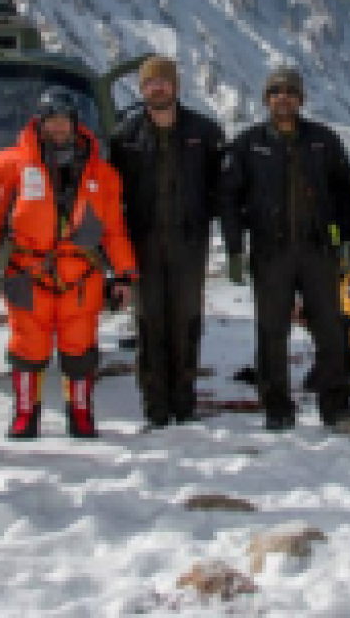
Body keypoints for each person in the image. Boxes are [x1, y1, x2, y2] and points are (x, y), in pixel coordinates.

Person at [0, 88, 138, 439]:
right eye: (52, 120)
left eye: (65, 119)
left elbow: (114, 231)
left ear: (76, 123)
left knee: (80, 349)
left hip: (81, 274)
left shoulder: (102, 174)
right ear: (40, 123)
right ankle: (25, 415)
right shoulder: (8, 165)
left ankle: (81, 414)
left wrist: (124, 274)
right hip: (25, 272)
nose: (59, 127)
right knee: (26, 346)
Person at [219, 66, 350, 433]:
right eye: (276, 91)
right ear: (267, 99)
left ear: (301, 98)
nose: (284, 97)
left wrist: (347, 239)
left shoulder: (323, 140)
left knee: (329, 330)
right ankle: (277, 407)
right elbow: (229, 198)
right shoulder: (248, 143)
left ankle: (336, 406)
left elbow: (346, 189)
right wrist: (235, 248)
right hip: (270, 253)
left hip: (318, 252)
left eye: (291, 91)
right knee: (271, 332)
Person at [109, 55, 225, 429]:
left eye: (163, 81)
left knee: (186, 321)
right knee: (149, 324)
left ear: (175, 86)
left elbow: (220, 187)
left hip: (188, 243)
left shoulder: (204, 132)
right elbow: (112, 195)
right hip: (142, 243)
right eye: (149, 83)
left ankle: (184, 403)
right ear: (141, 90)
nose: (156, 88)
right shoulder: (125, 136)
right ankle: (155, 407)